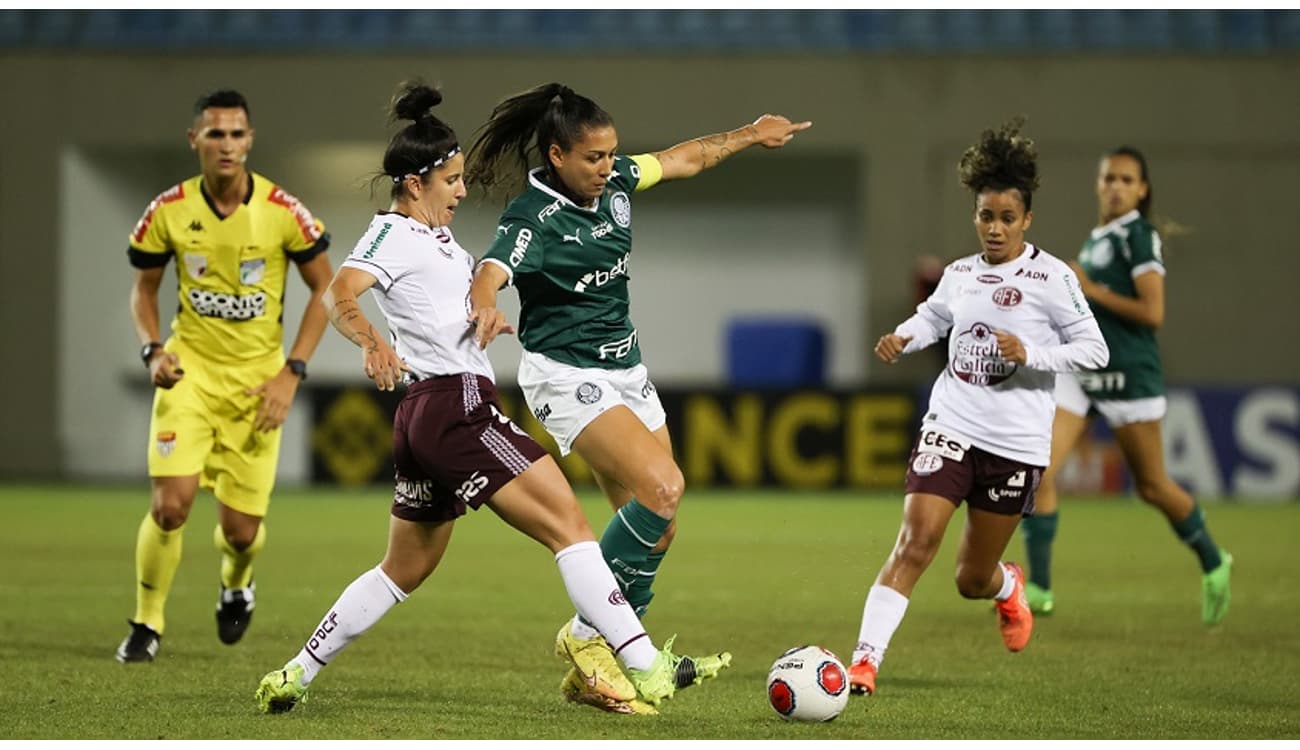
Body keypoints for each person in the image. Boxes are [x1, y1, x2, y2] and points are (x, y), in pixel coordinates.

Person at [255, 82, 720, 717]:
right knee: (573, 530)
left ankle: (294, 673)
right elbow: (341, 288)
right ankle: (645, 663)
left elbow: (446, 304)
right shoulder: (393, 234)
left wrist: (484, 319)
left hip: (423, 414)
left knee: (402, 570)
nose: (462, 191)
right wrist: (370, 342)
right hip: (456, 408)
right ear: (415, 183)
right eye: (451, 181)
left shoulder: (436, 239)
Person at [465, 82, 810, 704]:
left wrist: (751, 134)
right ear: (556, 156)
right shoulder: (533, 217)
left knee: (659, 525)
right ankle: (596, 642)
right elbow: (489, 271)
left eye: (611, 155)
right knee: (664, 488)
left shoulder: (617, 183)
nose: (607, 167)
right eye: (593, 158)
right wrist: (486, 307)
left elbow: (684, 158)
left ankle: (590, 660)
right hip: (567, 377)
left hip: (627, 370)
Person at [846, 119, 1110, 696]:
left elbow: (1095, 348)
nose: (994, 228)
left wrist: (1033, 352)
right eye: (985, 216)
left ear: (1027, 220)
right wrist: (903, 337)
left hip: (1015, 442)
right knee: (915, 541)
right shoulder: (960, 275)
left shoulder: (1052, 277)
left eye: (1007, 218)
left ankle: (1008, 588)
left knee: (970, 579)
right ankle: (865, 661)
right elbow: (935, 318)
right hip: (953, 421)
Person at [117, 89, 333, 663]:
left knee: (240, 532)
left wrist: (292, 373)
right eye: (215, 134)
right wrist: (152, 350)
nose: (227, 145)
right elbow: (143, 291)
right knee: (171, 507)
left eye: (237, 134)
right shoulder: (167, 210)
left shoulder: (284, 212)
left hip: (257, 386)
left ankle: (237, 582)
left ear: (250, 140)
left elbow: (326, 291)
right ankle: (146, 624)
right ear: (195, 141)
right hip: (189, 375)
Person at [1019, 147, 1232, 623]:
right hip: (1084, 371)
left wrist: (1090, 290)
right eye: (1109, 178)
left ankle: (1215, 560)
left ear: (1142, 190)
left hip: (1129, 375)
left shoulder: (1139, 236)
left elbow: (1153, 313)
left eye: (1126, 179)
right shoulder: (1100, 237)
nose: (1115, 186)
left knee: (1154, 488)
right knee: (1038, 472)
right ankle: (1039, 588)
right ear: (1098, 185)